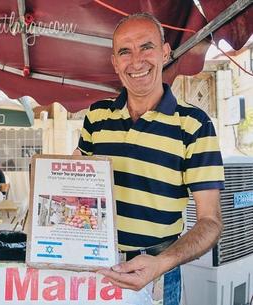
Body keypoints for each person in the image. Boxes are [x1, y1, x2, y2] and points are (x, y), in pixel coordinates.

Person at [73, 13, 224, 304]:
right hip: (95, 268)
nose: (137, 61)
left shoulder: (194, 124)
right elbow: (78, 184)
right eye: (125, 51)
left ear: (165, 53)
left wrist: (162, 263)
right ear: (115, 62)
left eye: (147, 47)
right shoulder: (97, 116)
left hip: (157, 272)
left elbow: (210, 221)